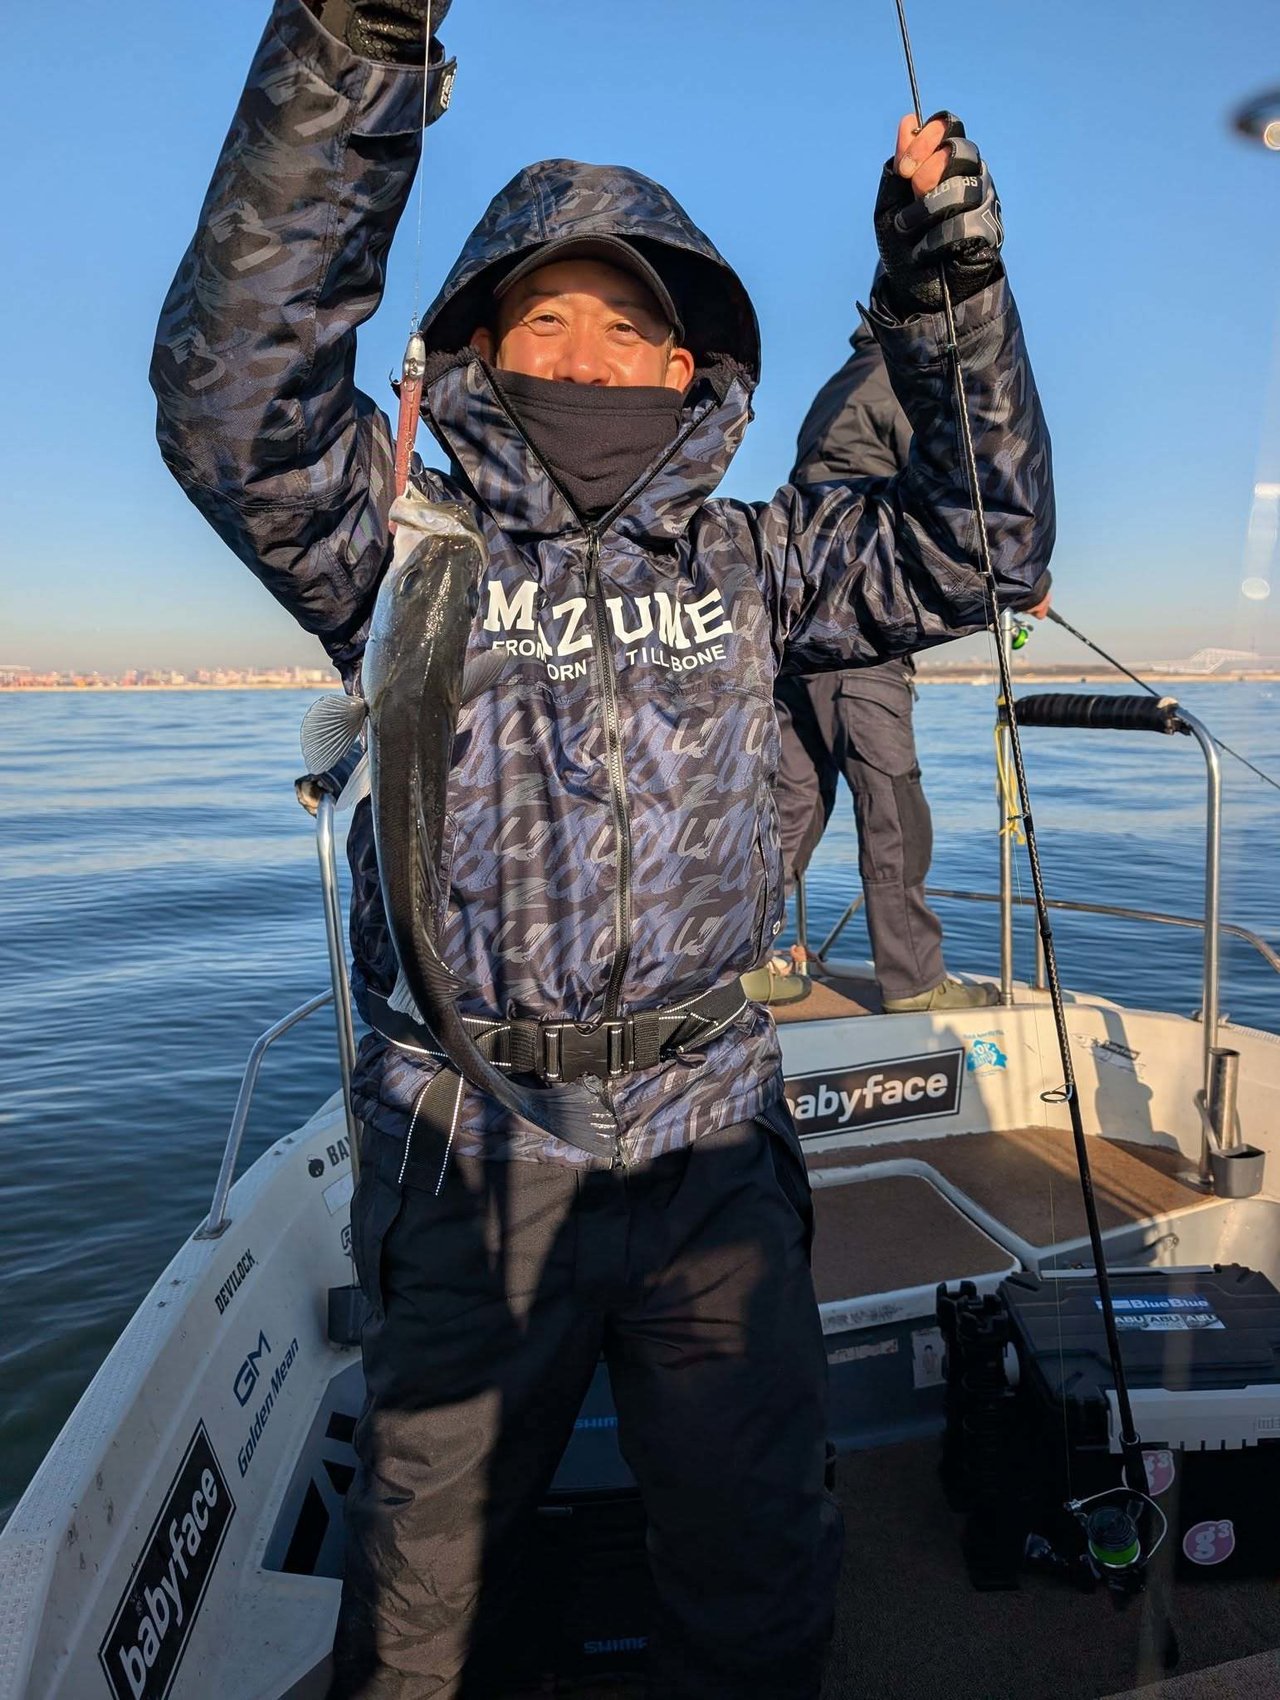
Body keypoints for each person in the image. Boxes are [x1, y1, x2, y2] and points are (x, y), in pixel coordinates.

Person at [149, 3, 1055, 1694]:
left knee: (760, 1571)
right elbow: (234, 404)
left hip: (712, 1138)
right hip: (466, 1149)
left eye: (626, 326)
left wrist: (952, 303)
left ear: (685, 368)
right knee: (426, 1618)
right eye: (542, 319)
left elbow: (983, 545)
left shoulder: (760, 560)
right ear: (475, 357)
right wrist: (355, 54)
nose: (581, 354)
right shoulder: (398, 547)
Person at [761, 316, 1051, 1012]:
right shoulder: (901, 379)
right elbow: (967, 491)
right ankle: (915, 982)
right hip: (858, 627)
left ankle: (733, 960)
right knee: (893, 804)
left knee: (792, 800)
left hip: (799, 626)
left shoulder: (843, 384)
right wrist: (1028, 582)